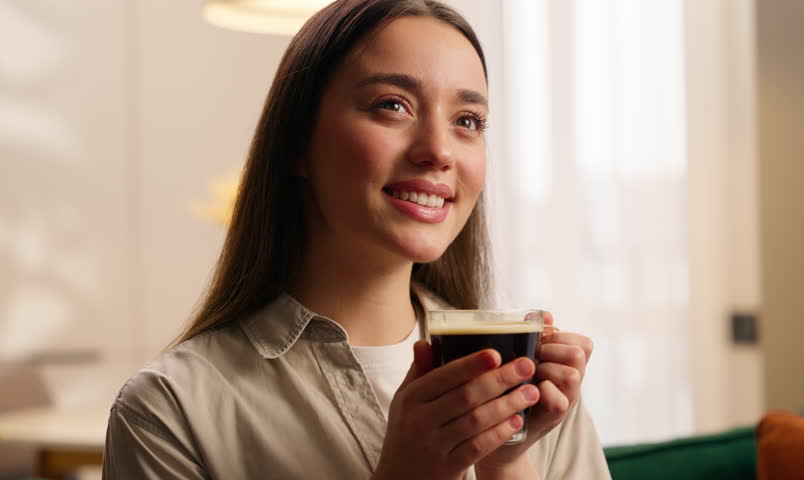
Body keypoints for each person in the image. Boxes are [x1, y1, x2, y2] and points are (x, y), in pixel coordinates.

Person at [102, 0, 610, 478]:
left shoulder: (534, 386)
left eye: (467, 121)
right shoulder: (168, 410)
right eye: (392, 105)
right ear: (297, 144)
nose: (439, 150)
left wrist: (508, 462)